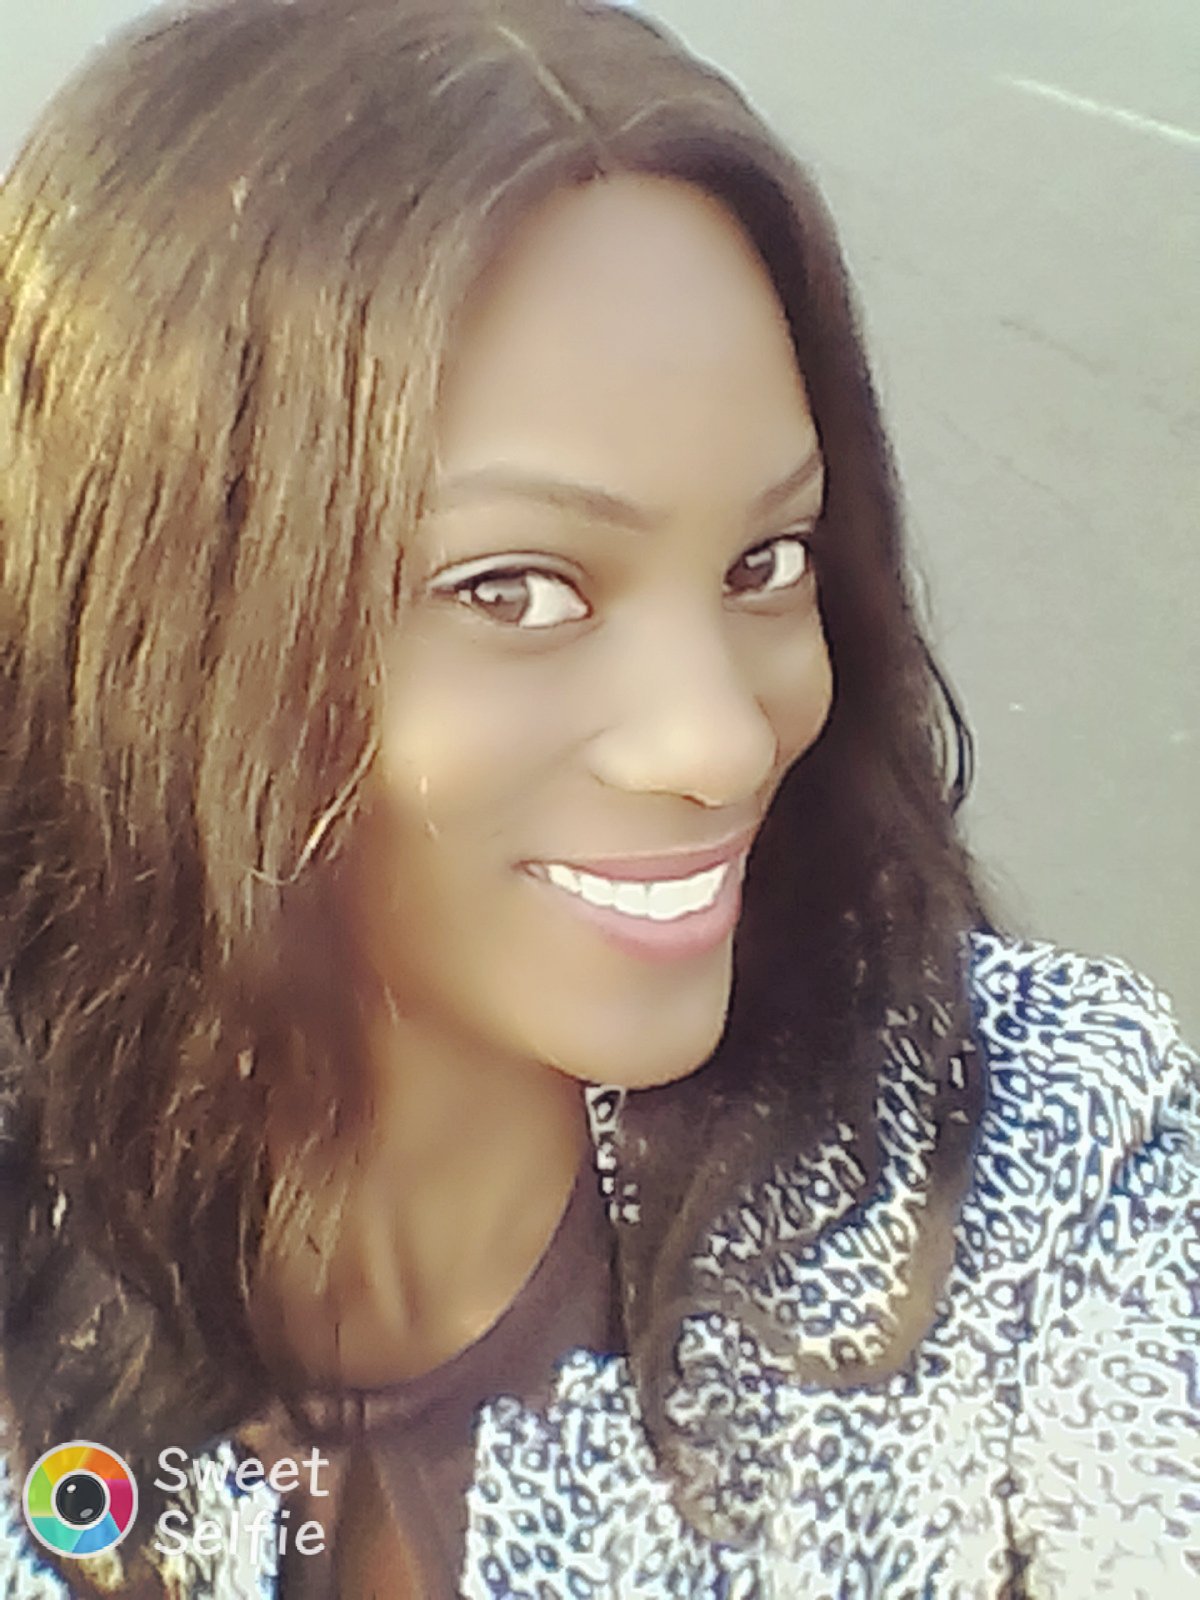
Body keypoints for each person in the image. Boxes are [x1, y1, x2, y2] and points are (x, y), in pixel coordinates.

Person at [0, 0, 1194, 1595]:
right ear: (149, 618)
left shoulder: (1036, 1173)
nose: (719, 741)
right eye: (517, 590)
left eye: (765, 562)